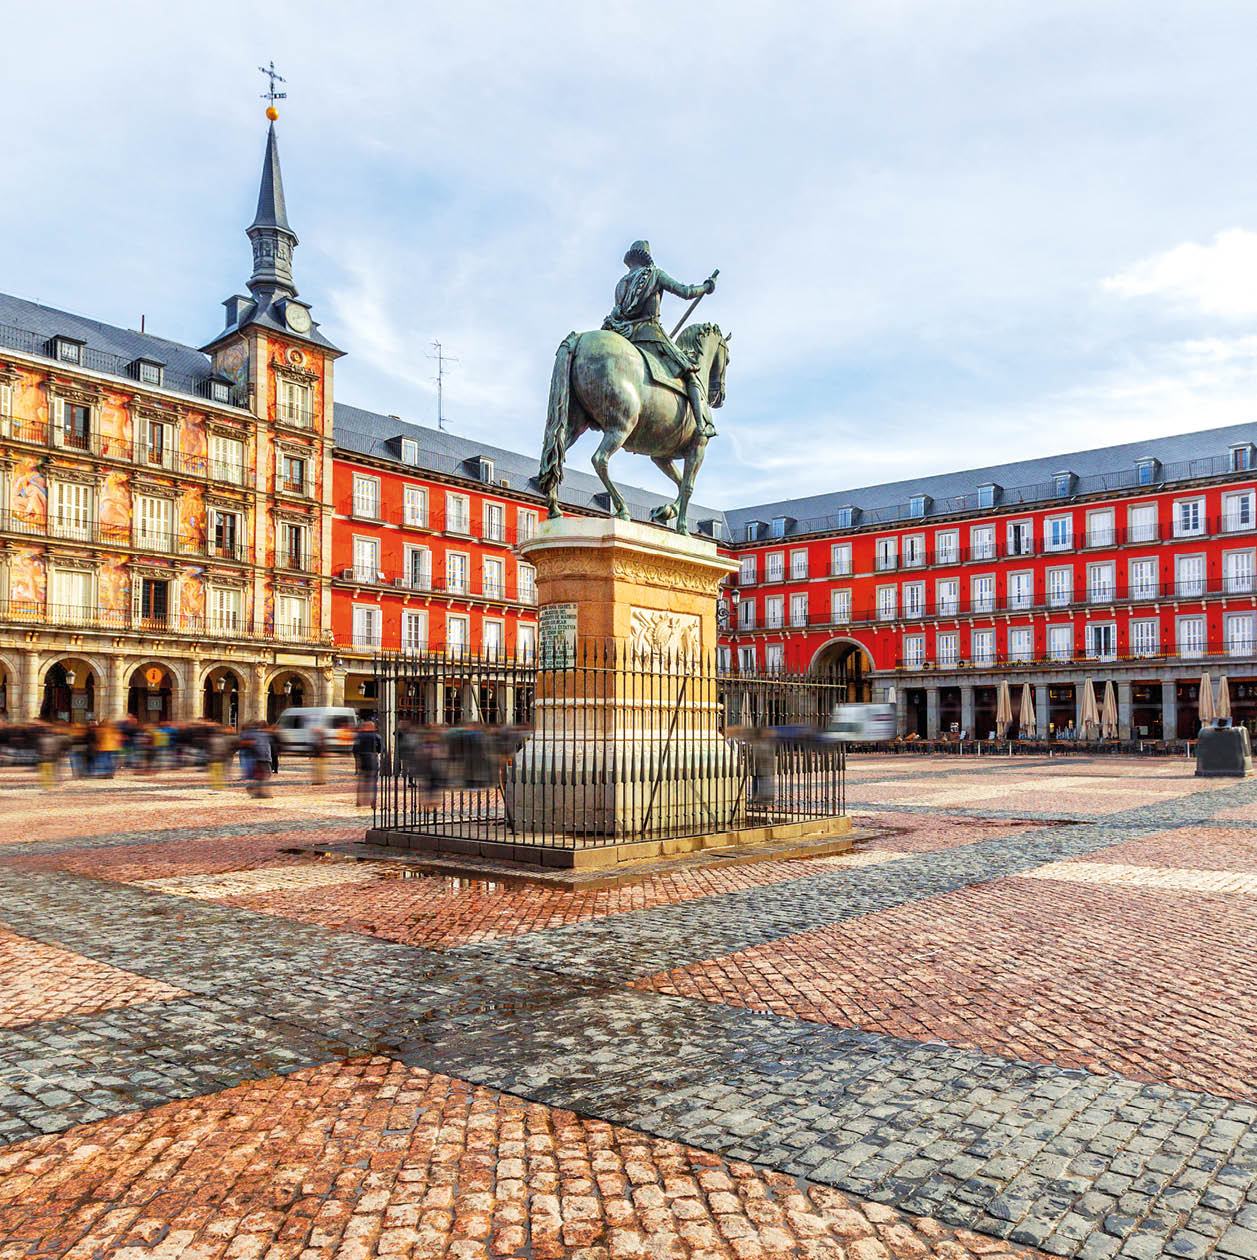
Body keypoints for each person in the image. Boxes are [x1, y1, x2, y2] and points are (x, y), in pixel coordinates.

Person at [603, 240, 719, 439]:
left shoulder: (620, 284)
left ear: (631, 260)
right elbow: (686, 292)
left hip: (625, 336)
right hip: (650, 333)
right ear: (647, 258)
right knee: (690, 371)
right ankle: (702, 425)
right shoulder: (654, 274)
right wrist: (706, 286)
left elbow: (621, 313)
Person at [353, 720, 382, 808]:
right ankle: (373, 802)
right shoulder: (376, 736)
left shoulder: (358, 736)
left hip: (362, 760)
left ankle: (359, 801)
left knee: (361, 783)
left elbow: (354, 749)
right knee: (373, 783)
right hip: (373, 760)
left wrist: (357, 760)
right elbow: (380, 749)